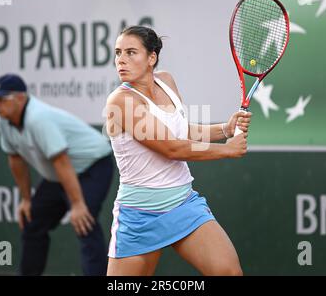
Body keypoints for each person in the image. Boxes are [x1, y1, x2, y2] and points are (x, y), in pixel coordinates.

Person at [105, 26, 252, 276]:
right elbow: (171, 148)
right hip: (140, 215)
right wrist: (226, 150)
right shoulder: (121, 101)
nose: (121, 60)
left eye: (131, 52)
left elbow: (180, 131)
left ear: (152, 58)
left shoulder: (167, 81)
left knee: (229, 273)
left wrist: (224, 130)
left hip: (183, 204)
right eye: (118, 52)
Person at [0, 74, 113, 276]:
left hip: (93, 167)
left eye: (2, 99)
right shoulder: (3, 121)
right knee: (32, 222)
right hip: (60, 174)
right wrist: (26, 199)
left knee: (85, 224)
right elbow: (15, 160)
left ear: (20, 98)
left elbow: (62, 160)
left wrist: (78, 204)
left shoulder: (38, 118)